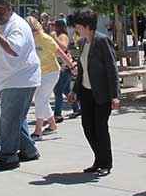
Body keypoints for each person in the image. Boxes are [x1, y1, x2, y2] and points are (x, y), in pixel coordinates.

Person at [0, 0, 42, 172]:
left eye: (2, 9)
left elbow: (13, 49)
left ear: (11, 9)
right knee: (16, 118)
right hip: (8, 78)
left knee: (9, 119)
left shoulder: (17, 26)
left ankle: (9, 157)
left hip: (20, 79)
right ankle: (29, 151)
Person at [67, 9, 120, 177]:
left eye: (79, 26)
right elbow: (82, 70)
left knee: (100, 128)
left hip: (102, 93)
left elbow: (112, 69)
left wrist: (115, 95)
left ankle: (106, 163)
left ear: (88, 26)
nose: (77, 29)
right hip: (86, 92)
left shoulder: (102, 41)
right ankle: (98, 159)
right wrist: (74, 90)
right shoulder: (83, 43)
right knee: (88, 127)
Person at [27, 16, 73, 139]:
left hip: (52, 72)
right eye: (30, 30)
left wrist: (72, 67)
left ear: (39, 28)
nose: (33, 33)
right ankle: (52, 125)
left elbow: (61, 53)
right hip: (38, 73)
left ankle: (38, 130)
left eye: (34, 30)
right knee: (43, 99)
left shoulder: (46, 39)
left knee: (40, 98)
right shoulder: (28, 40)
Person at [52, 19, 78, 122]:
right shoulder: (57, 36)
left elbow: (63, 47)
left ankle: (57, 114)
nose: (50, 27)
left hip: (66, 67)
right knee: (66, 90)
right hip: (61, 67)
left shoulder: (62, 36)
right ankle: (77, 108)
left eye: (52, 25)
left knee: (57, 90)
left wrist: (54, 38)